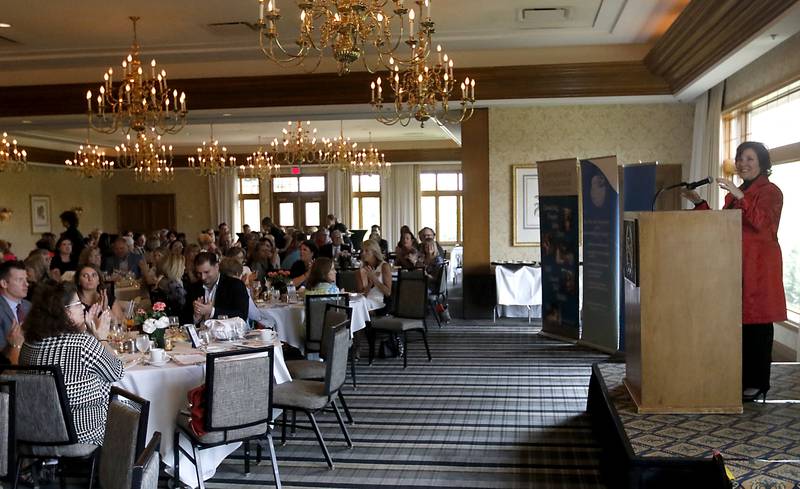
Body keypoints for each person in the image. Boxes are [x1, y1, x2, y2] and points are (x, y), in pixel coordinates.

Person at [682, 141, 786, 402]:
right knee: (736, 327)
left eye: (750, 159)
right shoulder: (734, 194)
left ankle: (758, 382)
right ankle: (738, 377)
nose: (743, 164)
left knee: (758, 327)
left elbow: (764, 225)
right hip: (733, 267)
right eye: (740, 159)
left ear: (762, 163)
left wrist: (741, 197)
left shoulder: (771, 192)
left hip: (759, 269)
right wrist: (699, 203)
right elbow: (721, 227)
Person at [19, 281, 123, 445]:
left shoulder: (28, 344)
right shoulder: (82, 344)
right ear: (66, 312)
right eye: (78, 304)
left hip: (35, 433)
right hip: (80, 435)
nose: (83, 308)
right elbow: (117, 372)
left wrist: (87, 332)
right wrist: (101, 338)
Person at [182, 252, 249, 324]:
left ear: (217, 267)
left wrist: (212, 311)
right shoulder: (193, 288)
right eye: (199, 273)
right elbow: (184, 319)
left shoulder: (234, 285)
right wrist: (195, 317)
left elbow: (242, 315)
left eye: (206, 272)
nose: (203, 277)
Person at [0, 261, 29, 365]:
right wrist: (14, 344)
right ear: (4, 283)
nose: (26, 284)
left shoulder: (31, 306)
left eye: (26, 279)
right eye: (20, 280)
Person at [357, 239, 392, 312]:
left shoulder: (384, 266)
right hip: (364, 300)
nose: (363, 253)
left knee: (359, 307)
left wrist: (375, 279)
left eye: (366, 251)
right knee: (356, 304)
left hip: (378, 302)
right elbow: (361, 295)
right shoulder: (361, 271)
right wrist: (370, 283)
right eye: (362, 251)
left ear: (374, 252)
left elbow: (388, 293)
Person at [151, 253, 187, 318]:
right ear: (176, 268)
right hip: (174, 322)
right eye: (183, 265)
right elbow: (184, 311)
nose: (184, 268)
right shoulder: (174, 287)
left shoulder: (163, 280)